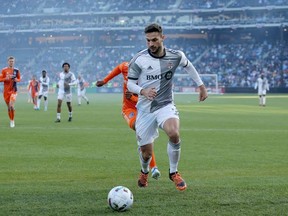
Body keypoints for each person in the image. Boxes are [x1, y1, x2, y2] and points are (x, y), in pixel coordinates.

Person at [127, 23, 208, 191]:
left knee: (174, 132)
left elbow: (189, 66)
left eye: (154, 40)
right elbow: (129, 84)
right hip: (145, 109)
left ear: (163, 38)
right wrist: (143, 90)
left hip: (165, 104)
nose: (151, 44)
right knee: (146, 153)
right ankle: (144, 171)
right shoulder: (139, 59)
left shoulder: (176, 56)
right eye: (148, 41)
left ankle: (174, 172)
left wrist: (201, 86)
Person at [96, 62, 161, 180]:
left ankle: (152, 166)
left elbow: (150, 99)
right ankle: (152, 165)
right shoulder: (125, 67)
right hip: (128, 109)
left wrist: (133, 97)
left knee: (147, 139)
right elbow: (117, 69)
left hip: (144, 109)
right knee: (138, 127)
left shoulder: (148, 77)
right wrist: (104, 81)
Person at [0, 56, 21, 128]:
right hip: (6, 92)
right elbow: (0, 79)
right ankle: (11, 119)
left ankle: (12, 121)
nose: (11, 62)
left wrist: (16, 80)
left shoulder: (16, 70)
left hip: (13, 91)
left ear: (14, 62)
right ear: (7, 62)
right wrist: (5, 78)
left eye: (12, 61)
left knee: (11, 105)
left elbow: (19, 79)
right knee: (9, 107)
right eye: (10, 61)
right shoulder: (4, 70)